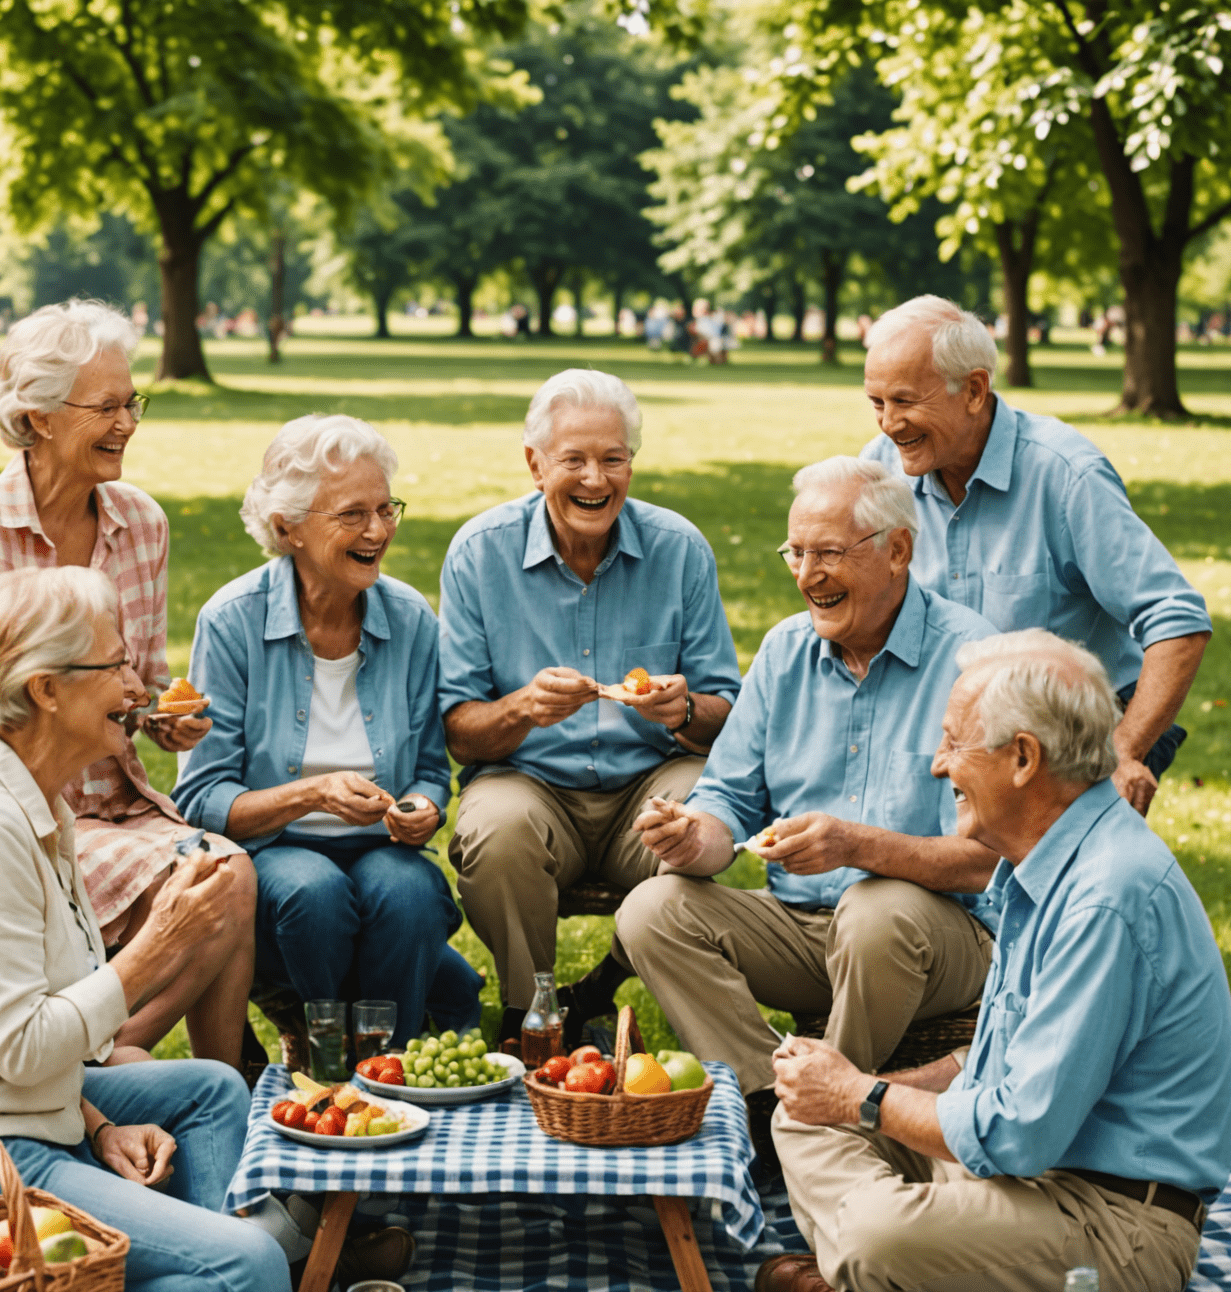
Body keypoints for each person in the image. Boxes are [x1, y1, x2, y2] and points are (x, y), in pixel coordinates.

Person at [0, 568, 410, 1292]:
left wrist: (97, 1124)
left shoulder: (42, 801)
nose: (139, 683)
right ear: (45, 690)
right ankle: (173, 1273)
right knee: (255, 1274)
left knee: (209, 1089)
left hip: (17, 1111)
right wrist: (156, 945)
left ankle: (200, 1240)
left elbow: (28, 1053)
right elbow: (23, 1045)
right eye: (114, 665)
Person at [756, 630, 1231, 1292]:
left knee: (869, 1231)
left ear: (1023, 758)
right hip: (1024, 1176)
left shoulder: (1105, 896)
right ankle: (922, 1282)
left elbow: (1018, 1133)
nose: (937, 763)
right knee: (801, 1121)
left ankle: (875, 1284)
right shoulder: (1042, 865)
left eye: (954, 742)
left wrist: (862, 1098)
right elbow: (991, 1061)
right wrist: (857, 1090)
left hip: (1116, 1223)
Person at [0, 299, 259, 1074]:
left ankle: (177, 1076)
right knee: (208, 889)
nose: (127, 423)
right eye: (106, 406)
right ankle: (90, 1074)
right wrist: (26, 717)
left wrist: (157, 716)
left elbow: (132, 680)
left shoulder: (141, 524)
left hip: (112, 803)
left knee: (223, 877)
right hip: (2, 809)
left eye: (131, 403)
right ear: (40, 417)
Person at [617, 458, 998, 1161]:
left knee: (876, 909)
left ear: (897, 551)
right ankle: (777, 1109)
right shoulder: (787, 650)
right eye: (797, 552)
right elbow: (727, 802)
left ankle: (831, 1118)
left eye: (828, 553)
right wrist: (689, 838)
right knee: (651, 908)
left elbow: (986, 861)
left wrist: (855, 846)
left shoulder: (972, 659)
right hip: (803, 927)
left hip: (935, 938)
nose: (806, 574)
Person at [439, 368, 742, 1044]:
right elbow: (459, 729)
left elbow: (730, 718)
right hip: (532, 783)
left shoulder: (680, 550)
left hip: (649, 783)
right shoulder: (478, 554)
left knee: (705, 817)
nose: (595, 481)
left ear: (632, 464)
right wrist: (521, 709)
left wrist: (683, 709)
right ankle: (531, 1013)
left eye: (613, 459)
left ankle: (601, 986)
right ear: (534, 462)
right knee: (497, 828)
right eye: (573, 460)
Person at [171, 415, 482, 1047]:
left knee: (411, 894)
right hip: (271, 851)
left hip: (379, 847)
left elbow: (429, 766)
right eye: (352, 515)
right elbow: (202, 799)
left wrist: (424, 805)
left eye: (385, 508)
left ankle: (385, 1061)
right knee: (313, 894)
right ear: (287, 527)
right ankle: (327, 1043)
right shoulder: (233, 622)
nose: (378, 531)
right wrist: (311, 796)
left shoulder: (411, 618)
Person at [860, 294, 1211, 815]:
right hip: (958, 726)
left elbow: (1177, 620)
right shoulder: (881, 471)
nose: (889, 425)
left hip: (1073, 729)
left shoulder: (1064, 473)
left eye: (906, 401)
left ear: (974, 390)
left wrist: (1125, 749)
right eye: (877, 403)